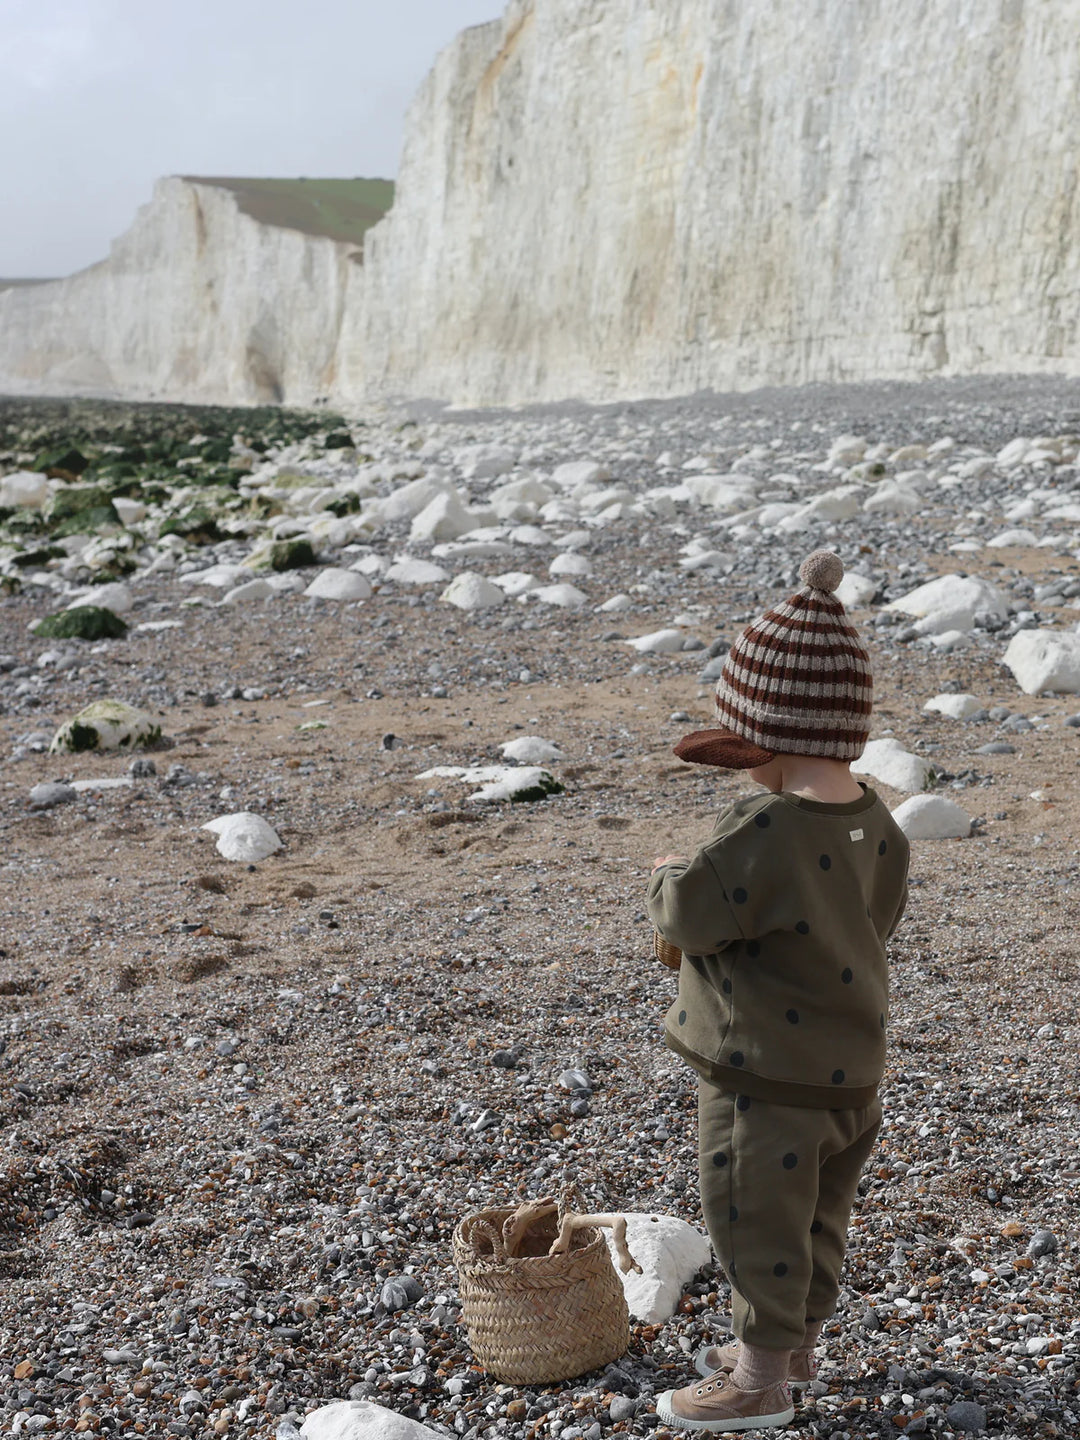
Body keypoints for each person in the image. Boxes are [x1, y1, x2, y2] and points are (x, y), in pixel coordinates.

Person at [646, 550, 910, 1433]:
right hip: (849, 1069)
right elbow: (867, 920)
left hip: (763, 1077)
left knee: (751, 1216)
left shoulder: (766, 826)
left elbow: (690, 909)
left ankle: (759, 1383)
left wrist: (660, 878)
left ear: (770, 734)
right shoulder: (874, 818)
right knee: (817, 1217)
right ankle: (791, 1346)